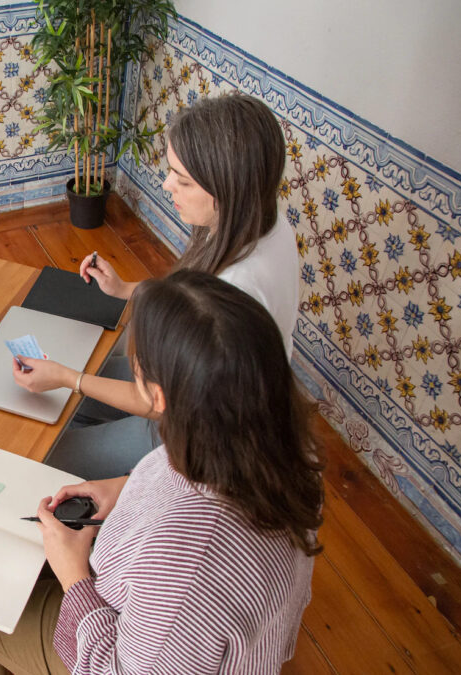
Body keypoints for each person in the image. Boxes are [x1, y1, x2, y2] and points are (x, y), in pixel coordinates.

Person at [0, 270, 324, 674]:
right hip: (191, 625)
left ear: (158, 396)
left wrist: (73, 575)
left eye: (136, 366)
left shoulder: (185, 559)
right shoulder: (280, 442)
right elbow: (179, 480)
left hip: (117, 641)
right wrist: (125, 487)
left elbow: (118, 667)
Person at [15, 93, 298, 478]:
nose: (167, 185)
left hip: (198, 439)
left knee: (41, 457)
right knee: (67, 401)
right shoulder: (266, 223)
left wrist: (70, 378)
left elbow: (157, 402)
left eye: (182, 180)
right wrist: (126, 288)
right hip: (189, 396)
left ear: (228, 188)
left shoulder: (240, 287)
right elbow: (194, 300)